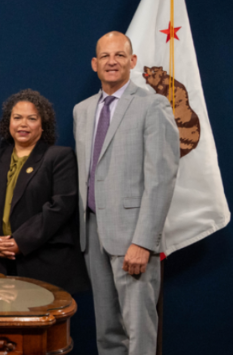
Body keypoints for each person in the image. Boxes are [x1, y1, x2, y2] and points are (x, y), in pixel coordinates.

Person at [74, 31, 179, 355]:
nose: (112, 61)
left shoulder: (153, 105)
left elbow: (161, 178)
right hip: (93, 235)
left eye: (119, 55)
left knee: (139, 332)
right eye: (105, 56)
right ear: (94, 64)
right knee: (107, 332)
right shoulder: (83, 110)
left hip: (133, 237)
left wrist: (144, 241)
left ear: (133, 61)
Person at [0, 89, 89, 294]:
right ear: (8, 123)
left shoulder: (59, 157)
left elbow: (60, 207)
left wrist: (20, 242)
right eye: (17, 118)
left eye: (32, 118)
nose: (23, 124)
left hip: (43, 264)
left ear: (43, 125)